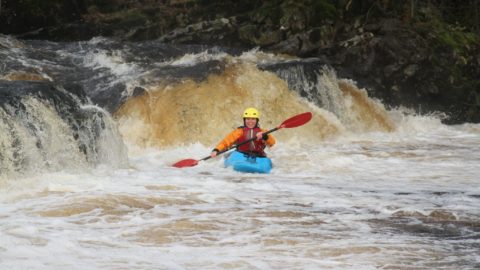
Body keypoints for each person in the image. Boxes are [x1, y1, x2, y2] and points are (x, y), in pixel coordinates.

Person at [211, 107, 276, 158]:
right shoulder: (239, 132)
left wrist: (265, 136)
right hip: (241, 155)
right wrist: (216, 150)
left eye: (253, 119)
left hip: (259, 156)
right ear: (244, 120)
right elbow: (225, 142)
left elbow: (272, 143)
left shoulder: (263, 132)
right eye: (248, 119)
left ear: (257, 120)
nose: (250, 121)